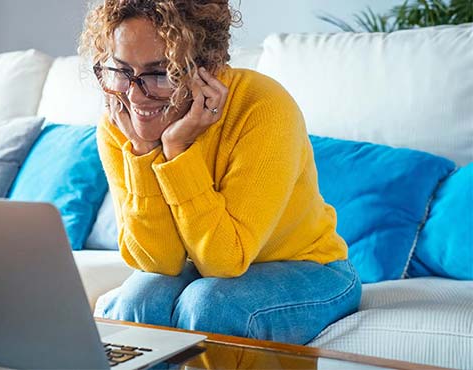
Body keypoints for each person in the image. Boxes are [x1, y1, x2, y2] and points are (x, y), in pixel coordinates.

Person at [78, 0, 362, 344]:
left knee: (211, 305)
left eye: (159, 74)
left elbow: (226, 259)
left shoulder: (262, 105)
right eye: (121, 71)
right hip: (203, 270)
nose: (136, 96)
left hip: (313, 270)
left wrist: (178, 151)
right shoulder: (119, 121)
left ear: (205, 66)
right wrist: (142, 150)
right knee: (139, 299)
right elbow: (159, 261)